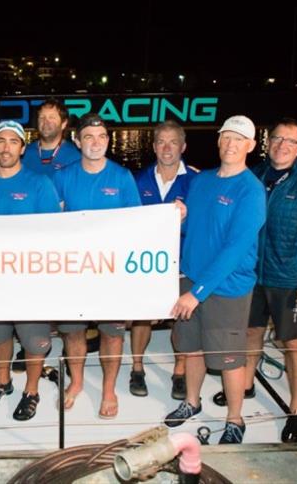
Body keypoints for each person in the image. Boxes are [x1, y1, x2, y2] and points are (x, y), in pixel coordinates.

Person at [211, 118, 297, 442]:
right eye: (277, 138)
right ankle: (246, 384)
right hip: (251, 275)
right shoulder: (253, 175)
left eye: (290, 141)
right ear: (266, 142)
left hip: (288, 278)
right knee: (250, 332)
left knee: (291, 341)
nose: (282, 146)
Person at [163, 115, 266, 445]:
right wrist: (181, 215)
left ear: (250, 146)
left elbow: (236, 248)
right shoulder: (202, 180)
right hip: (191, 278)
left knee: (229, 358)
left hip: (226, 288)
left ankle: (235, 419)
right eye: (226, 137)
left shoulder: (251, 190)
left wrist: (198, 293)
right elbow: (193, 227)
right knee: (191, 349)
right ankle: (192, 402)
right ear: (218, 140)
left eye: (239, 139)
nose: (231, 144)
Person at [0, 120, 61, 421]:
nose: (6, 147)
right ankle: (2, 382)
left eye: (13, 142)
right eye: (0, 141)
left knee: (33, 341)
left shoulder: (39, 184)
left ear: (22, 147)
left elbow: (53, 232)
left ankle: (31, 391)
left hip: (30, 280)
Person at [53, 113, 141, 419]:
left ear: (108, 141)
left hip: (111, 274)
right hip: (74, 272)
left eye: (101, 137)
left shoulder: (122, 177)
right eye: (88, 137)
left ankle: (107, 389)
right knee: (73, 333)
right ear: (77, 141)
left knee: (113, 334)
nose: (95, 143)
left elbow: (138, 226)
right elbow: (49, 225)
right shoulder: (62, 176)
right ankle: (76, 383)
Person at [130, 120, 197, 400]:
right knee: (143, 317)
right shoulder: (138, 179)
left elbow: (203, 225)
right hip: (147, 264)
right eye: (161, 142)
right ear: (154, 146)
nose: (166, 148)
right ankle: (137, 367)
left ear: (182, 146)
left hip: (183, 265)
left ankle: (179, 371)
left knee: (182, 320)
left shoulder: (197, 181)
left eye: (173, 142)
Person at [21, 98, 80, 177]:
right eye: (42, 117)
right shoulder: (23, 154)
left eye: (52, 117)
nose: (46, 122)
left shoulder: (76, 156)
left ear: (63, 124)